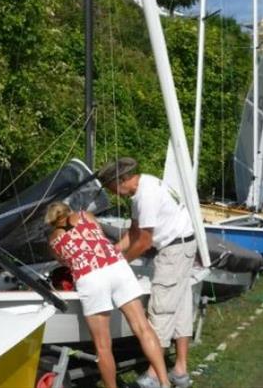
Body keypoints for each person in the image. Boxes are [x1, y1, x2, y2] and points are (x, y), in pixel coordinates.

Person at [45, 202, 170, 388]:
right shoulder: (86, 215)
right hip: (116, 266)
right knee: (143, 328)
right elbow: (101, 237)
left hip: (90, 276)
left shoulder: (53, 240)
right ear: (68, 210)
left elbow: (66, 262)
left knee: (103, 346)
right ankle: (165, 382)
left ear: (52, 221)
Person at [98, 157, 195, 388]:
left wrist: (120, 265)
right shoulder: (142, 189)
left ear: (121, 180)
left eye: (111, 187)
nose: (113, 193)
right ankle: (180, 370)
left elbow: (144, 241)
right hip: (182, 244)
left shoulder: (146, 196)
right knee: (179, 306)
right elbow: (133, 233)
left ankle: (153, 375)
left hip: (174, 250)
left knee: (160, 309)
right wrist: (112, 252)